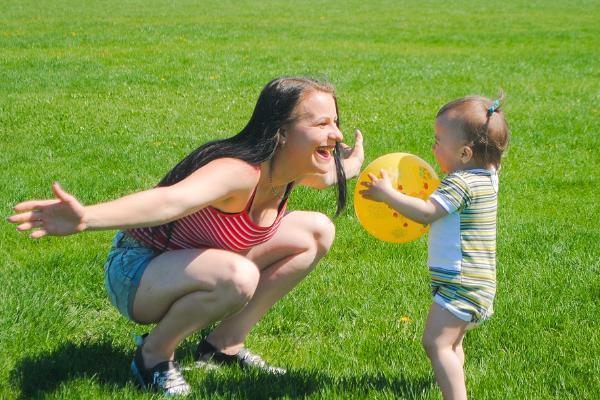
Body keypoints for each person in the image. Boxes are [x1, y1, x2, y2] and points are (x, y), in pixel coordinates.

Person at [8, 77, 365, 396]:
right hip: (137, 271)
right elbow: (169, 201)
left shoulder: (290, 170)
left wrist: (352, 165)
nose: (336, 134)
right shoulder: (238, 174)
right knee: (238, 277)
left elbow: (329, 176)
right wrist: (86, 218)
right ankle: (153, 358)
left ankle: (222, 345)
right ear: (282, 132)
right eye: (322, 124)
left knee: (318, 230)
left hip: (193, 265)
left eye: (336, 122)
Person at [359, 95, 509, 400]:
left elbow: (427, 212)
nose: (433, 148)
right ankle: (454, 385)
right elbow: (492, 158)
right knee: (452, 343)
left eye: (438, 141)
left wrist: (388, 194)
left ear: (465, 153)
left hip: (460, 281)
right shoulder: (488, 176)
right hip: (475, 281)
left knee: (435, 343)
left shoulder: (461, 183)